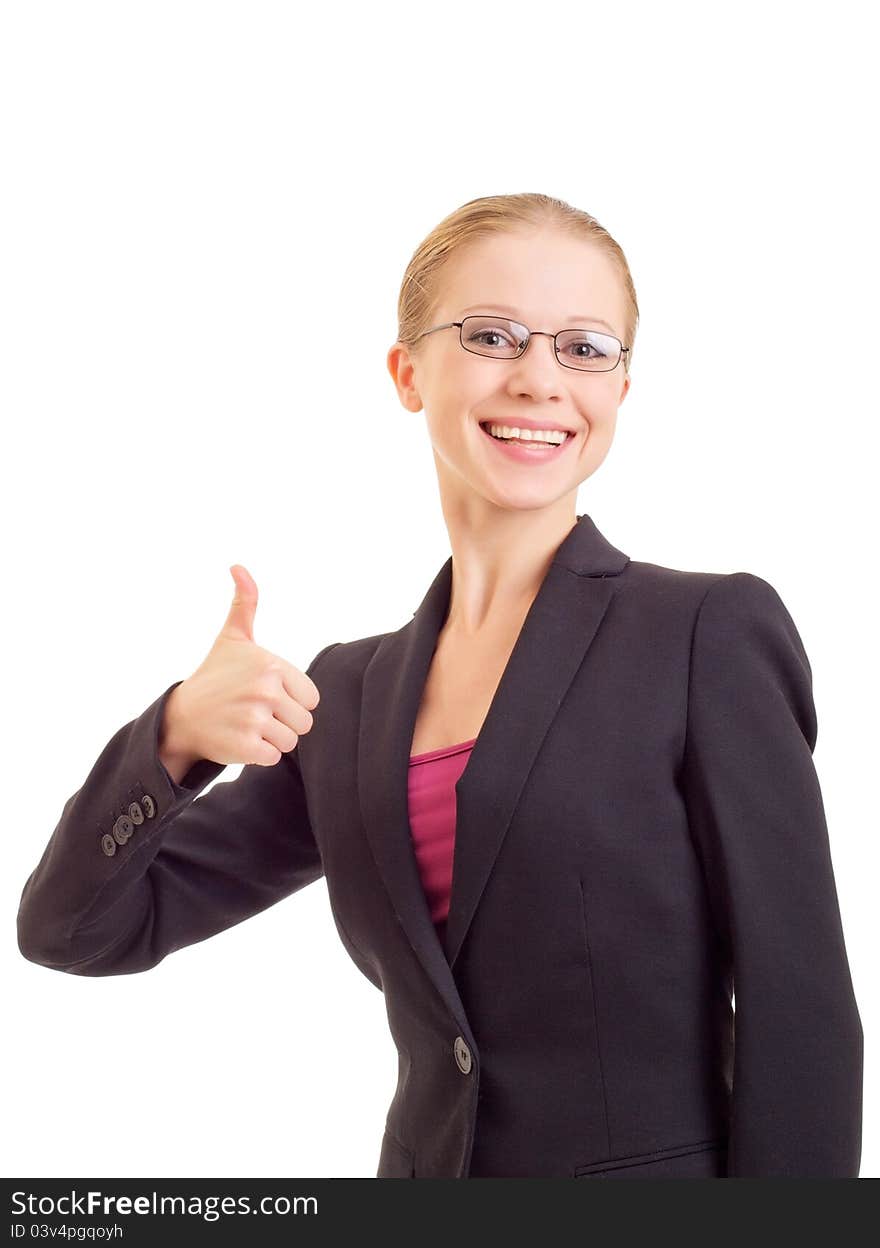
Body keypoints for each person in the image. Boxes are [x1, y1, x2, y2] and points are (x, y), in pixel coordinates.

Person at [17, 192, 863, 1178]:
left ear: (621, 388)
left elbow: (799, 1010)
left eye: (585, 348)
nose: (541, 380)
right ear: (406, 371)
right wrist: (171, 742)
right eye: (492, 335)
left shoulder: (704, 636)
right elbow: (74, 931)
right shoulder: (350, 696)